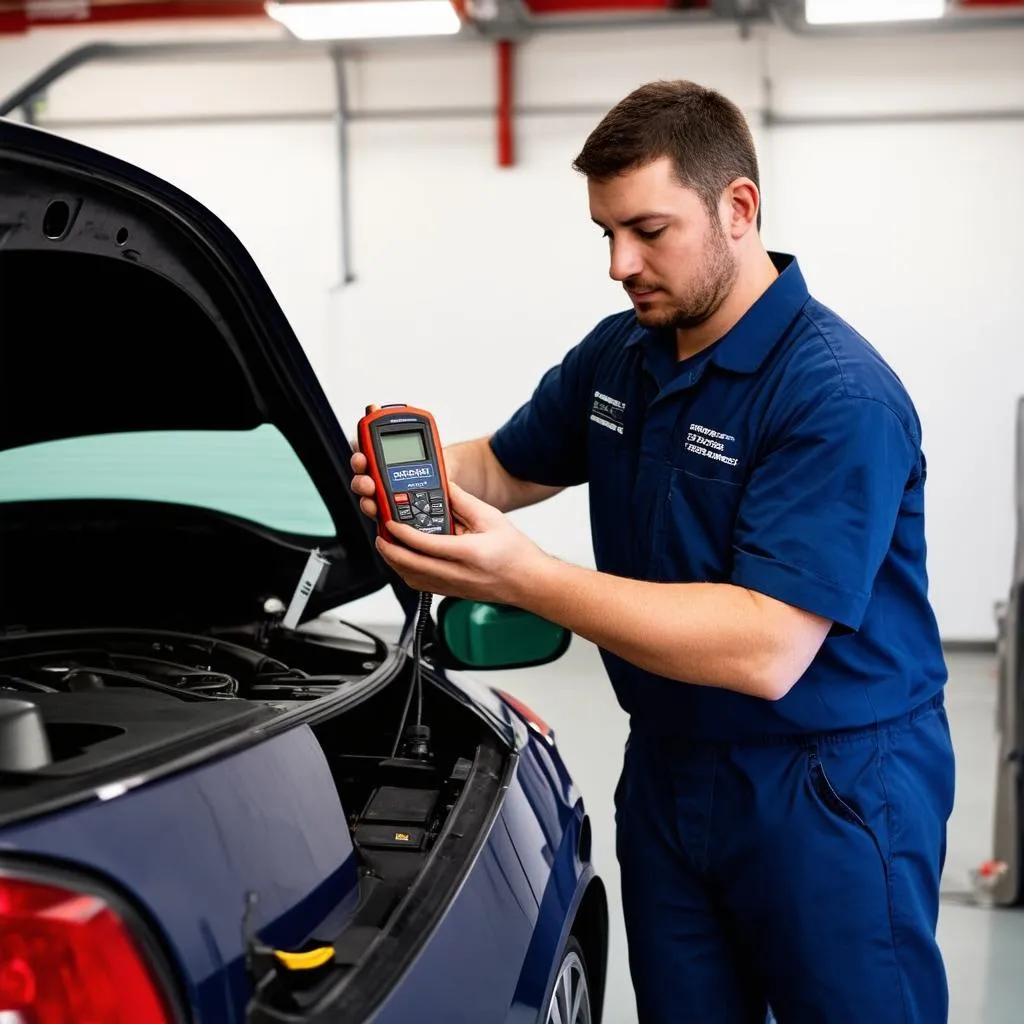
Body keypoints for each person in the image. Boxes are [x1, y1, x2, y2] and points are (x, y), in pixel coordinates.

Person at [350, 79, 955, 1024]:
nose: (619, 264)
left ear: (738, 209)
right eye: (605, 235)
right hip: (671, 768)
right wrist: (397, 475)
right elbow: (504, 467)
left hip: (827, 786)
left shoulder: (836, 395)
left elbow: (764, 648)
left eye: (647, 230)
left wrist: (529, 578)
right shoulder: (625, 352)